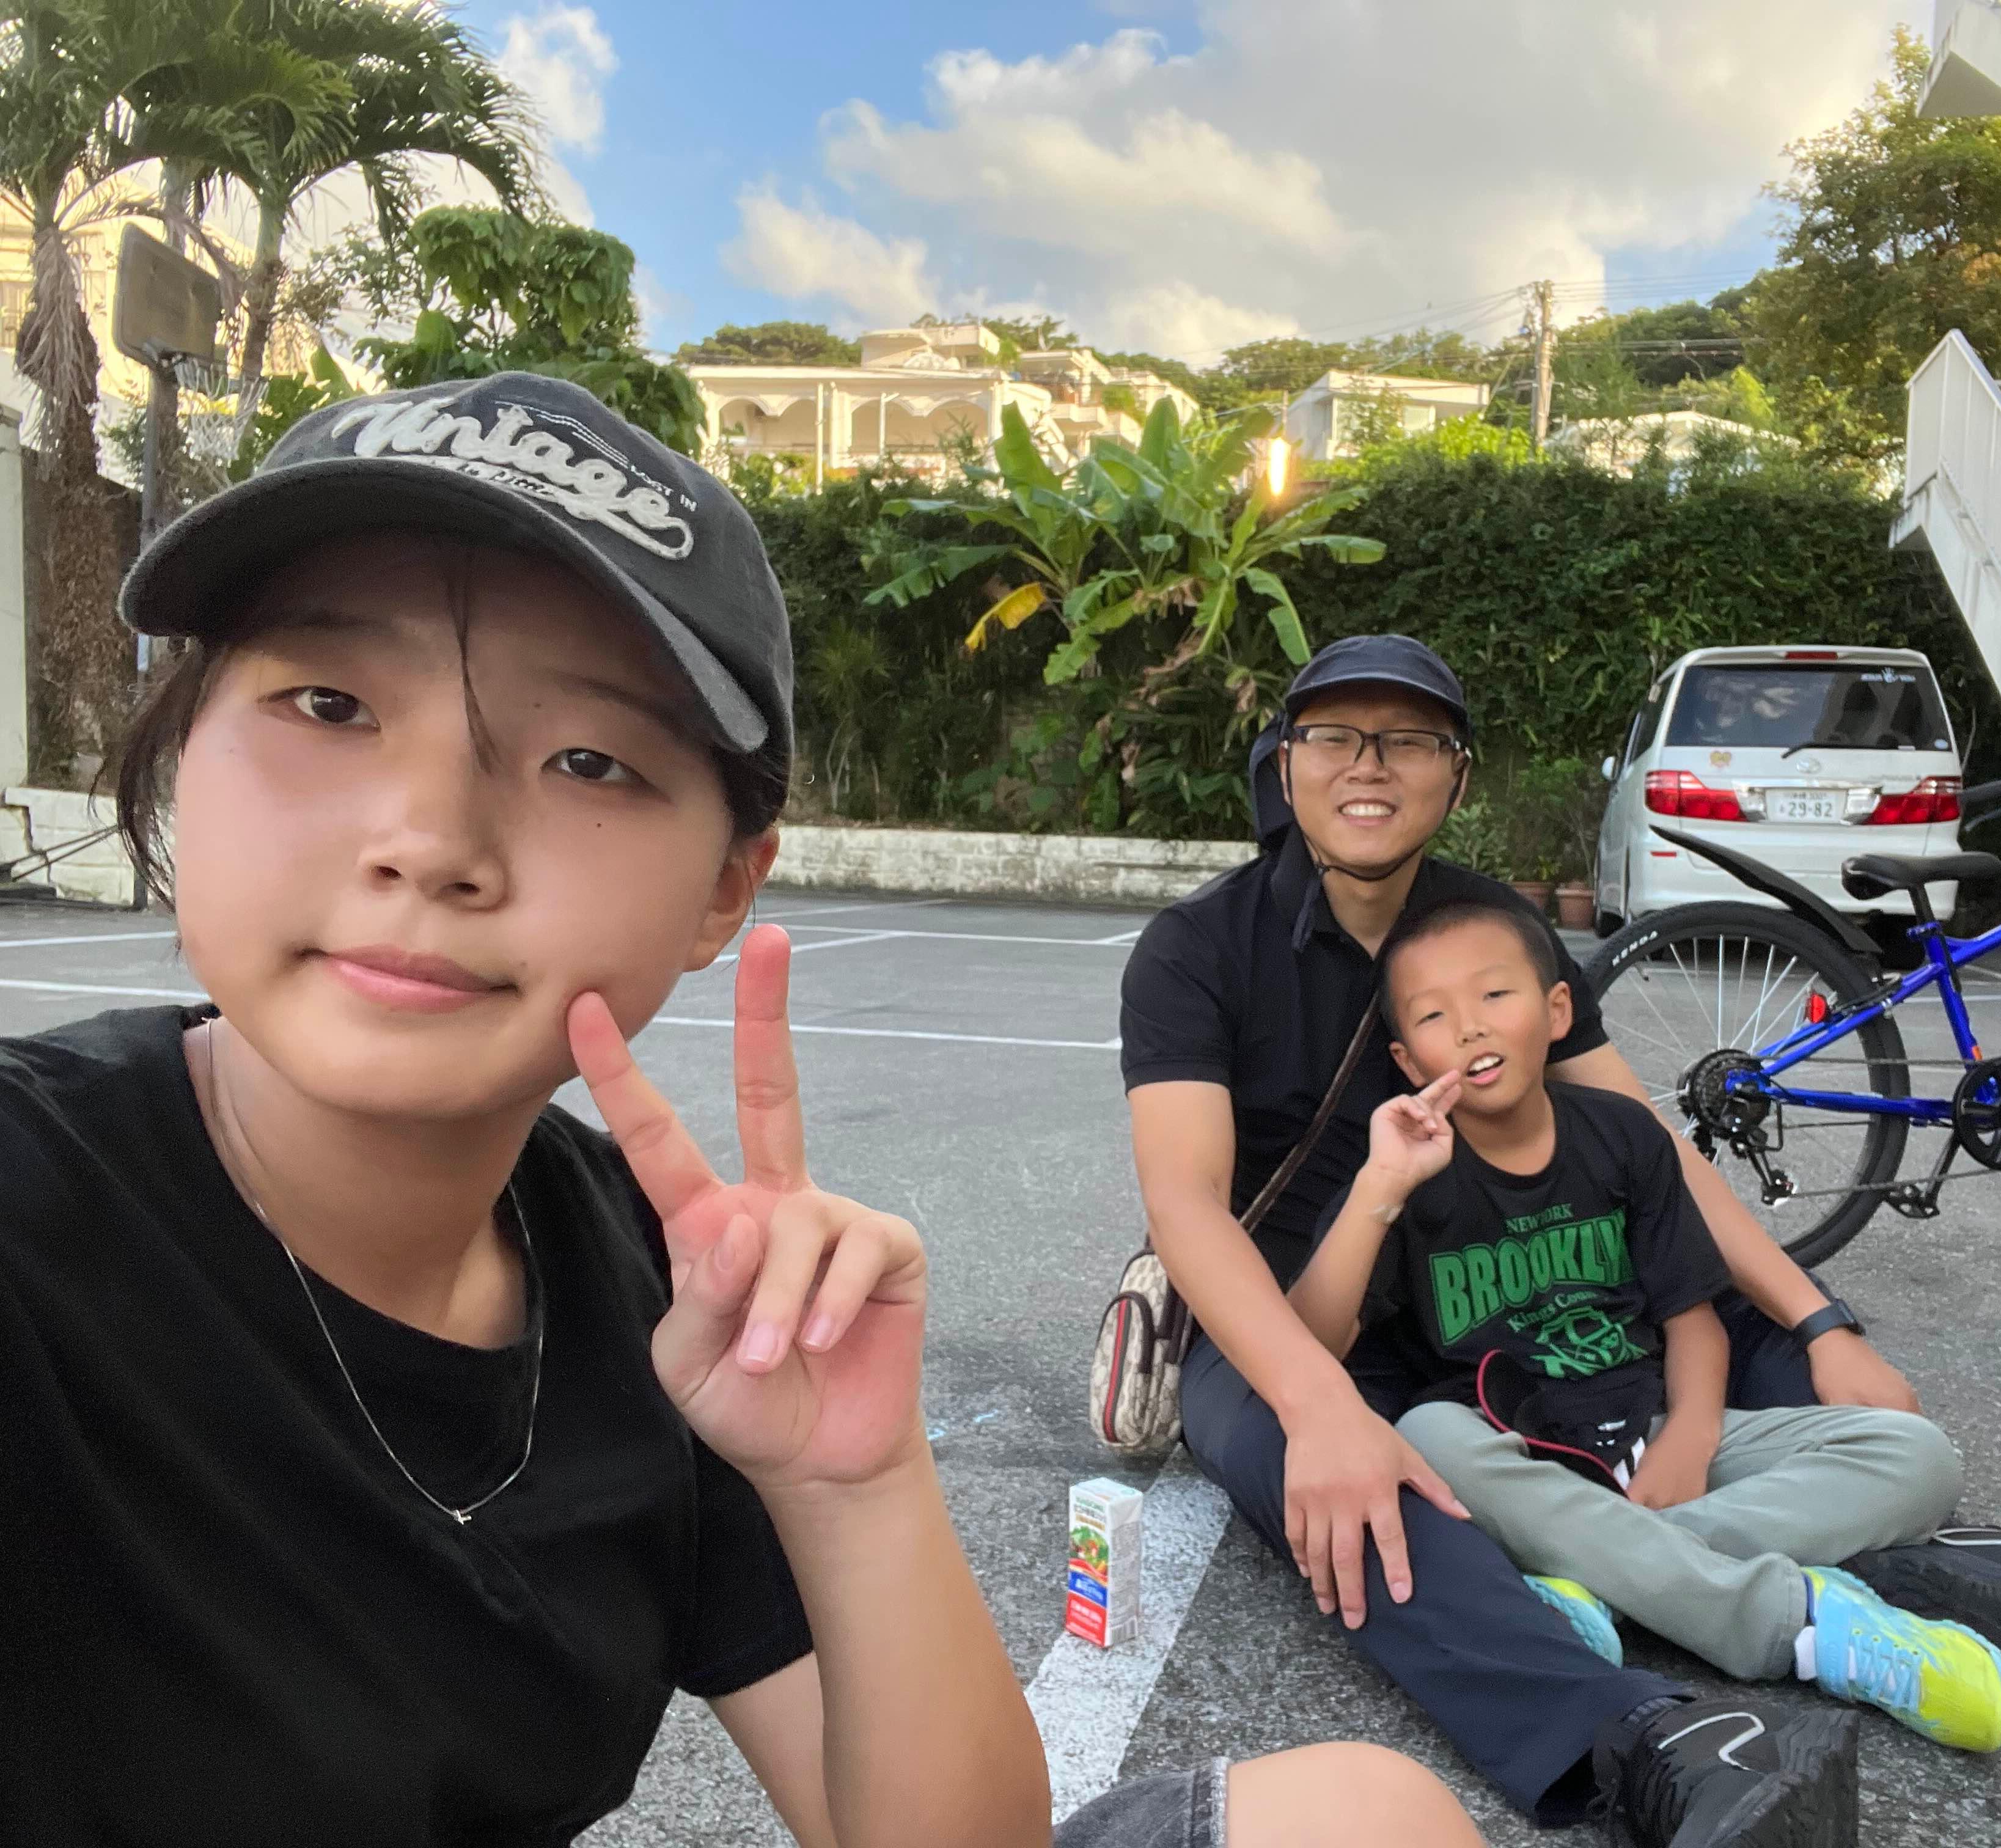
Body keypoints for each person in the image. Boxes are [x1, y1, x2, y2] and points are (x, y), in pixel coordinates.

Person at [0, 375, 1488, 1848]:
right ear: (182, 740)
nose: (431, 838)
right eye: (329, 705)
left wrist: (858, 1483)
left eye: (587, 759)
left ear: (726, 889)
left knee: (1374, 1818)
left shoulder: (674, 1295)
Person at [1119, 634, 2001, 1842]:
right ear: (1285, 764)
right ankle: (1646, 1734)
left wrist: (1818, 1320)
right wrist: (1318, 1404)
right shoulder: (1198, 950)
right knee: (1364, 1509)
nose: (1368, 765)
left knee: (1785, 1364)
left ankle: (1749, 1567)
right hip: (1306, 1319)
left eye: (1410, 741)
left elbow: (1647, 1147)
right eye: (1334, 736)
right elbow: (1188, 1206)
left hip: (1526, 1285)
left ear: (1459, 774)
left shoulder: (1493, 930)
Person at [1290, 897, 2001, 1756]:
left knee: (1916, 1454)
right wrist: (1381, 1187)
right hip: (1517, 1448)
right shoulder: (1408, 1169)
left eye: (1495, 995)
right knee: (1427, 1435)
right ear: (1404, 1057)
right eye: (1432, 1016)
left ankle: (1604, 1584)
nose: (1468, 1027)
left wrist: (1690, 1433)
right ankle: (1800, 1624)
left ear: (1557, 1010)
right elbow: (1315, 1342)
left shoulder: (1622, 1137)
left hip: (1649, 1428)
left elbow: (1694, 1318)